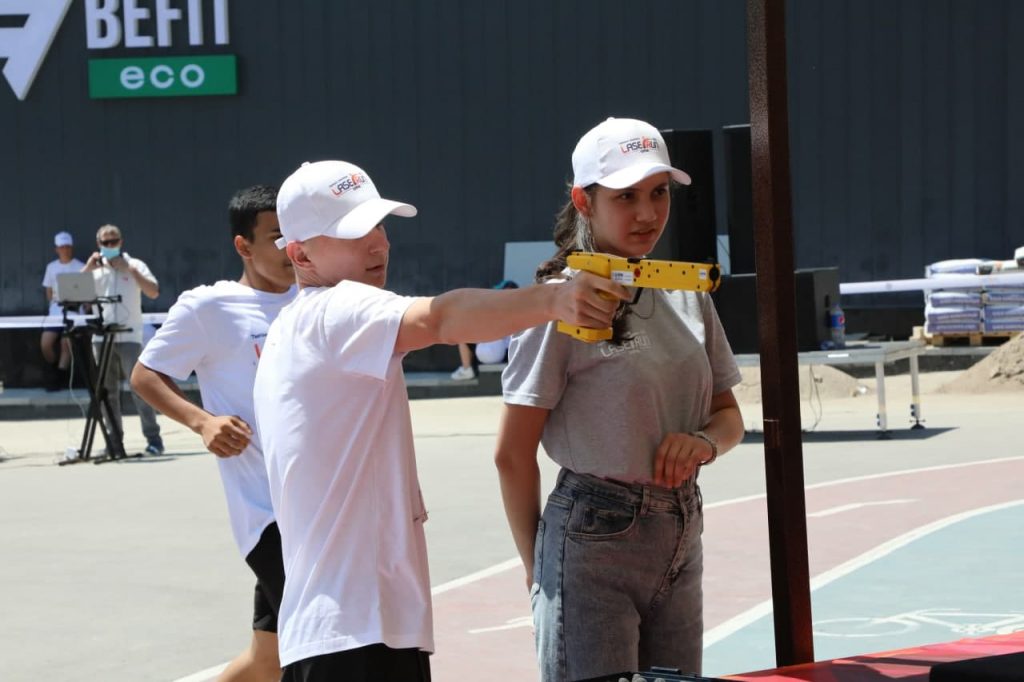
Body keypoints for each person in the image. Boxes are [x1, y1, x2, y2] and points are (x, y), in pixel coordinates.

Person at [252, 160, 628, 682]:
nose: (378, 243)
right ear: (300, 255)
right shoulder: (335, 310)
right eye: (354, 232)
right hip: (356, 637)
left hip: (348, 630)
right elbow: (441, 319)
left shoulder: (295, 326)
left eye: (379, 224)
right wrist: (557, 299)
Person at [494, 117, 746, 681]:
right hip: (591, 541)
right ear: (584, 201)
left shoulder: (687, 290)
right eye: (625, 196)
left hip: (682, 530)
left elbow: (730, 417)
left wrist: (703, 443)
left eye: (659, 193)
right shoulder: (559, 304)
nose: (647, 213)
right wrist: (538, 571)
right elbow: (511, 454)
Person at [130, 186, 295, 682]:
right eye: (276, 236)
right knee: (323, 646)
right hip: (269, 516)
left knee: (267, 660)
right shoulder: (211, 306)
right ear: (243, 246)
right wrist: (202, 422)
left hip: (322, 508)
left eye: (295, 234)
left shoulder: (315, 297)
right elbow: (146, 374)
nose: (290, 247)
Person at [82, 224, 164, 455]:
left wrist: (130, 270)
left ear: (121, 242)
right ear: (98, 244)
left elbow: (153, 291)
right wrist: (87, 269)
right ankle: (114, 441)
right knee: (106, 392)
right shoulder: (95, 270)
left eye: (113, 241)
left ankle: (154, 439)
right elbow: (74, 296)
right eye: (105, 242)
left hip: (130, 335)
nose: (110, 246)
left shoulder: (135, 264)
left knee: (139, 388)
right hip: (102, 337)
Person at [40, 231, 85, 389]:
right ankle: (53, 368)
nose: (64, 249)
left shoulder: (81, 267)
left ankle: (60, 376)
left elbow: (86, 292)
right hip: (56, 312)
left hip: (74, 312)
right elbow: (48, 291)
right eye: (61, 247)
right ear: (56, 249)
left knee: (67, 343)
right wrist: (55, 303)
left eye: (67, 246)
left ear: (71, 248)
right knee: (46, 344)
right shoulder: (51, 267)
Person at [450, 280, 519, 380]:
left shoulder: (504, 311)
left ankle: (467, 369)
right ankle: (468, 369)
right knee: (464, 336)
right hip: (497, 350)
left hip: (506, 353)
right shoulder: (504, 310)